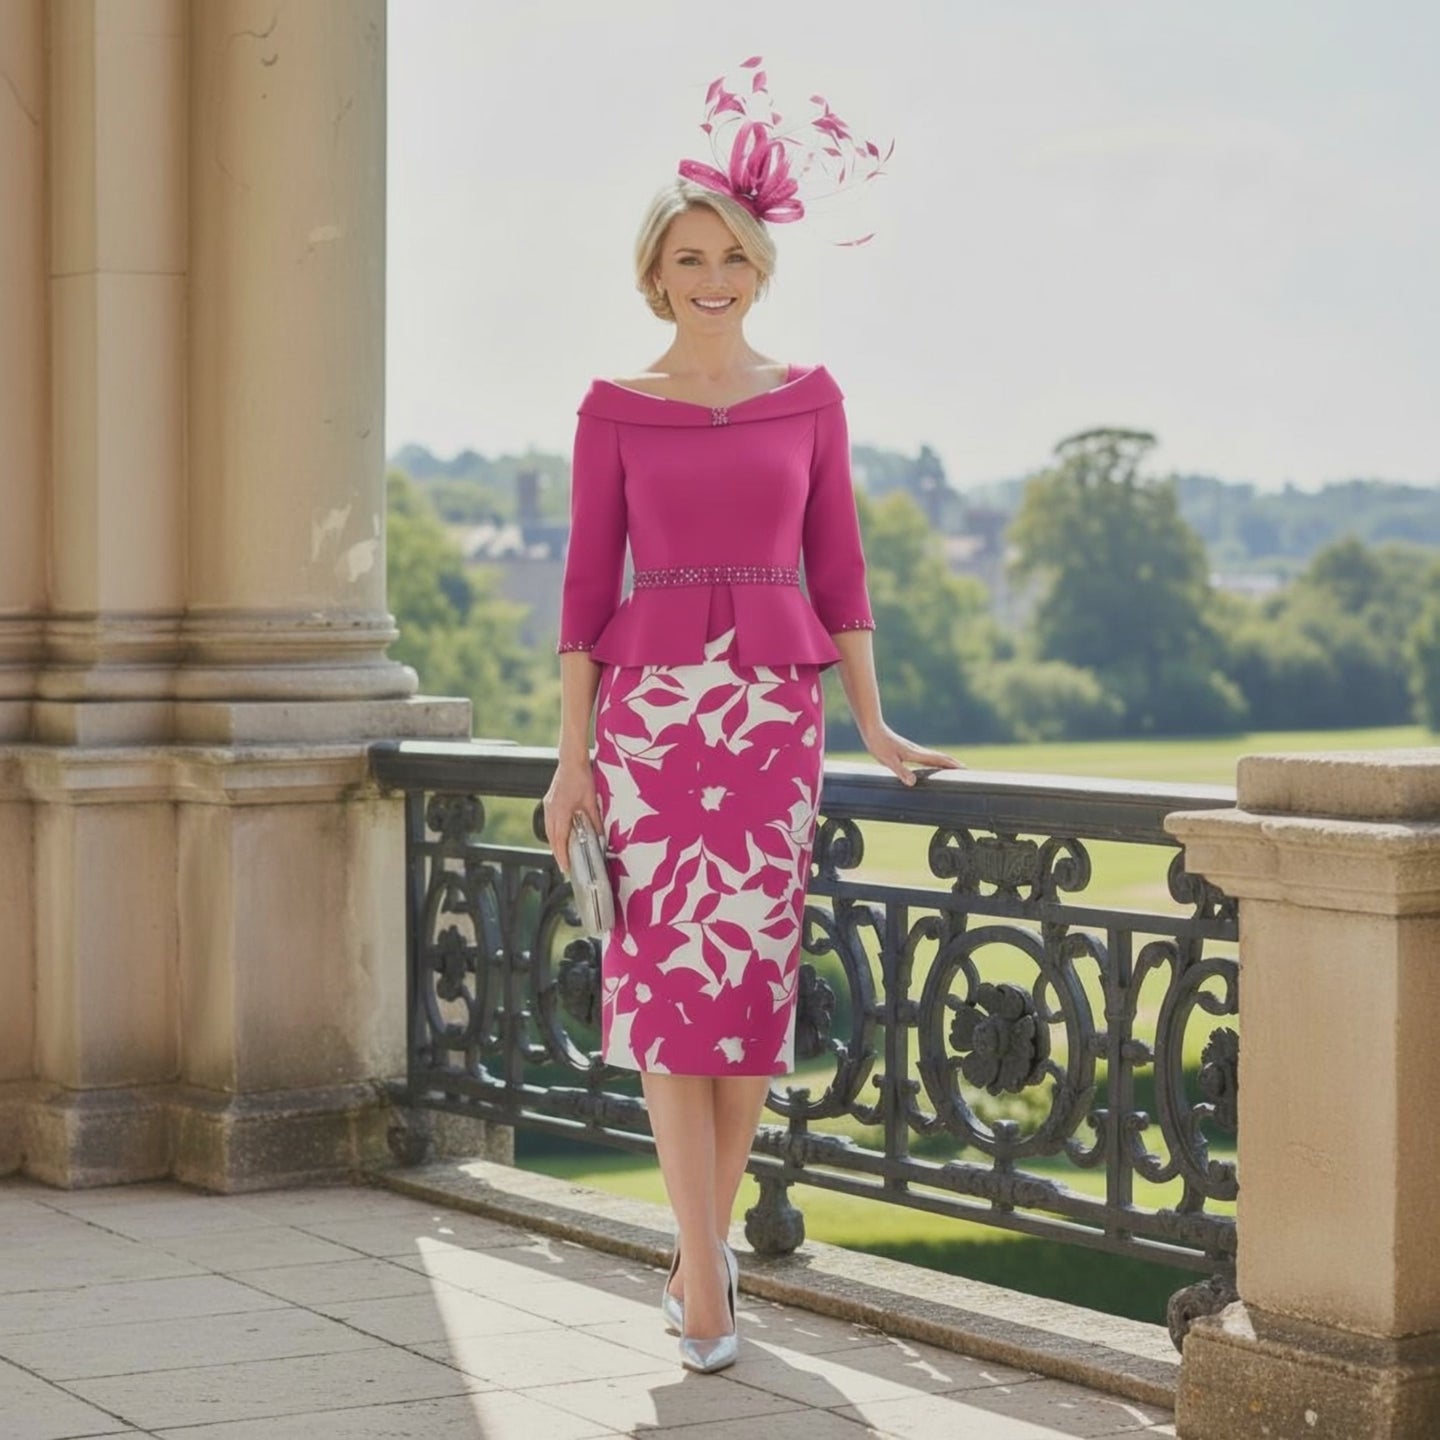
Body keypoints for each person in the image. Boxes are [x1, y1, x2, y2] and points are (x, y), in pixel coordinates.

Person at [542, 61, 961, 1375]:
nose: (709, 275)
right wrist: (569, 761)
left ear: (757, 265)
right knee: (671, 1004)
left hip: (777, 728)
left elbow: (841, 578)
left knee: (743, 1014)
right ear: (653, 274)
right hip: (651, 727)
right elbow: (577, 591)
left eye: (728, 254)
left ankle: (691, 1255)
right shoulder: (616, 409)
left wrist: (878, 731)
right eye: (686, 256)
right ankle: (712, 1285)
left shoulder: (812, 401)